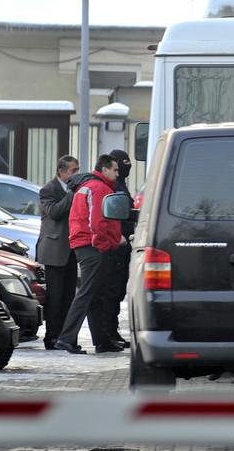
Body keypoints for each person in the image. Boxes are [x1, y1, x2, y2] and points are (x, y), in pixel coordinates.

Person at [54, 154, 126, 355]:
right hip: (92, 247)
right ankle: (66, 338)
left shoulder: (88, 186)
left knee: (96, 294)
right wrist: (103, 245)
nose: (117, 174)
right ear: (104, 170)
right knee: (87, 293)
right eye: (115, 170)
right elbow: (97, 221)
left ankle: (102, 341)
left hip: (86, 244)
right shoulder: (99, 188)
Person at [36, 155, 80, 350]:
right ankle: (52, 337)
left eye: (78, 170)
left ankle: (65, 337)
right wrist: (71, 194)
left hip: (72, 248)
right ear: (61, 172)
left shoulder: (76, 189)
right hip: (54, 251)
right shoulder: (49, 189)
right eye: (73, 171)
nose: (76, 174)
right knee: (55, 297)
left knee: (68, 296)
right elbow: (54, 212)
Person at [100, 149, 134, 348]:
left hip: (122, 245)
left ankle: (112, 332)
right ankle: (108, 333)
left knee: (117, 291)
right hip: (116, 246)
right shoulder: (112, 187)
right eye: (123, 164)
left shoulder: (119, 185)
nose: (125, 168)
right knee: (111, 292)